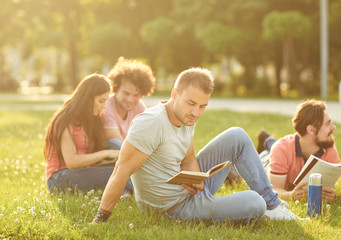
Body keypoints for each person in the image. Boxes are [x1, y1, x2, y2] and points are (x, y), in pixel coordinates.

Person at [92, 68, 301, 224]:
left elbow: (189, 157)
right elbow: (121, 170)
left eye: (202, 106)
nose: (196, 112)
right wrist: (101, 217)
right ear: (174, 95)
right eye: (191, 103)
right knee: (254, 203)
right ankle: (265, 204)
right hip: (169, 208)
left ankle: (272, 205)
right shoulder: (151, 123)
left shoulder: (186, 117)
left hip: (186, 190)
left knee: (237, 135)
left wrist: (196, 180)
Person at [43, 74, 133, 194]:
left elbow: (91, 159)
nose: (104, 107)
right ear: (88, 99)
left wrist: (114, 159)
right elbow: (72, 162)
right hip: (59, 179)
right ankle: (153, 189)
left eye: (106, 101)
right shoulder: (63, 121)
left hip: (83, 172)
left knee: (117, 160)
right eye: (101, 101)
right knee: (119, 174)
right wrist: (106, 153)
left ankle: (124, 194)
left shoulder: (91, 120)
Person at [257, 99, 340, 202]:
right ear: (311, 129)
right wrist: (291, 195)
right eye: (328, 124)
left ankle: (268, 140)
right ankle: (267, 142)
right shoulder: (281, 149)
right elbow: (274, 190)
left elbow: (329, 187)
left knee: (276, 146)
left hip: (283, 149)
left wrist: (330, 194)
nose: (333, 127)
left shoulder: (329, 149)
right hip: (266, 162)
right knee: (264, 155)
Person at [103, 57, 156, 150]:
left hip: (128, 155)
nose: (130, 100)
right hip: (112, 154)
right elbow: (116, 141)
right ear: (116, 89)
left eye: (136, 95)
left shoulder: (140, 107)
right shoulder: (107, 105)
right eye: (126, 93)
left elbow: (145, 138)